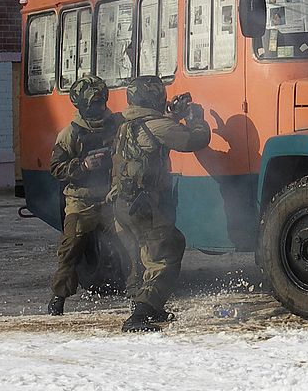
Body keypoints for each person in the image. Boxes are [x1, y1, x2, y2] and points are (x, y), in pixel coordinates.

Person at [109, 75, 210, 332]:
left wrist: (173, 114)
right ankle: (139, 315)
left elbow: (158, 134)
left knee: (146, 258)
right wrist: (196, 118)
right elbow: (194, 140)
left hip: (124, 204)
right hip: (144, 205)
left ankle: (151, 307)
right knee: (165, 254)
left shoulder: (127, 124)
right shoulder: (154, 125)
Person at [47, 75, 127, 316]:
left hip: (112, 197)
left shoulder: (117, 124)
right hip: (81, 200)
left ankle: (140, 294)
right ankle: (58, 297)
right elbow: (56, 169)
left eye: (102, 102)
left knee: (133, 243)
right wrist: (83, 166)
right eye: (94, 104)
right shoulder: (69, 134)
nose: (100, 108)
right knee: (71, 248)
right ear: (81, 105)